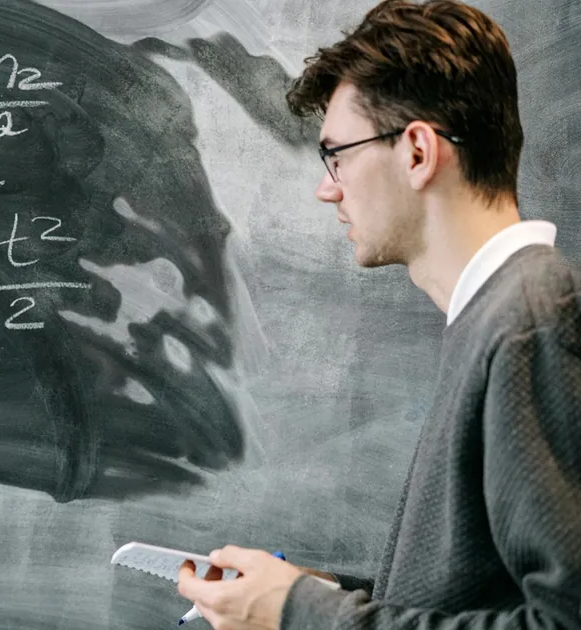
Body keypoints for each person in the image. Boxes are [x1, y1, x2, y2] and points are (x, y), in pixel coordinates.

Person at [175, 1, 581, 629]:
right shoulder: (501, 314)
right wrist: (316, 595)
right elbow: (480, 600)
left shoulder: (529, 321)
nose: (327, 187)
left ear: (417, 151)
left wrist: (305, 616)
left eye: (338, 153)